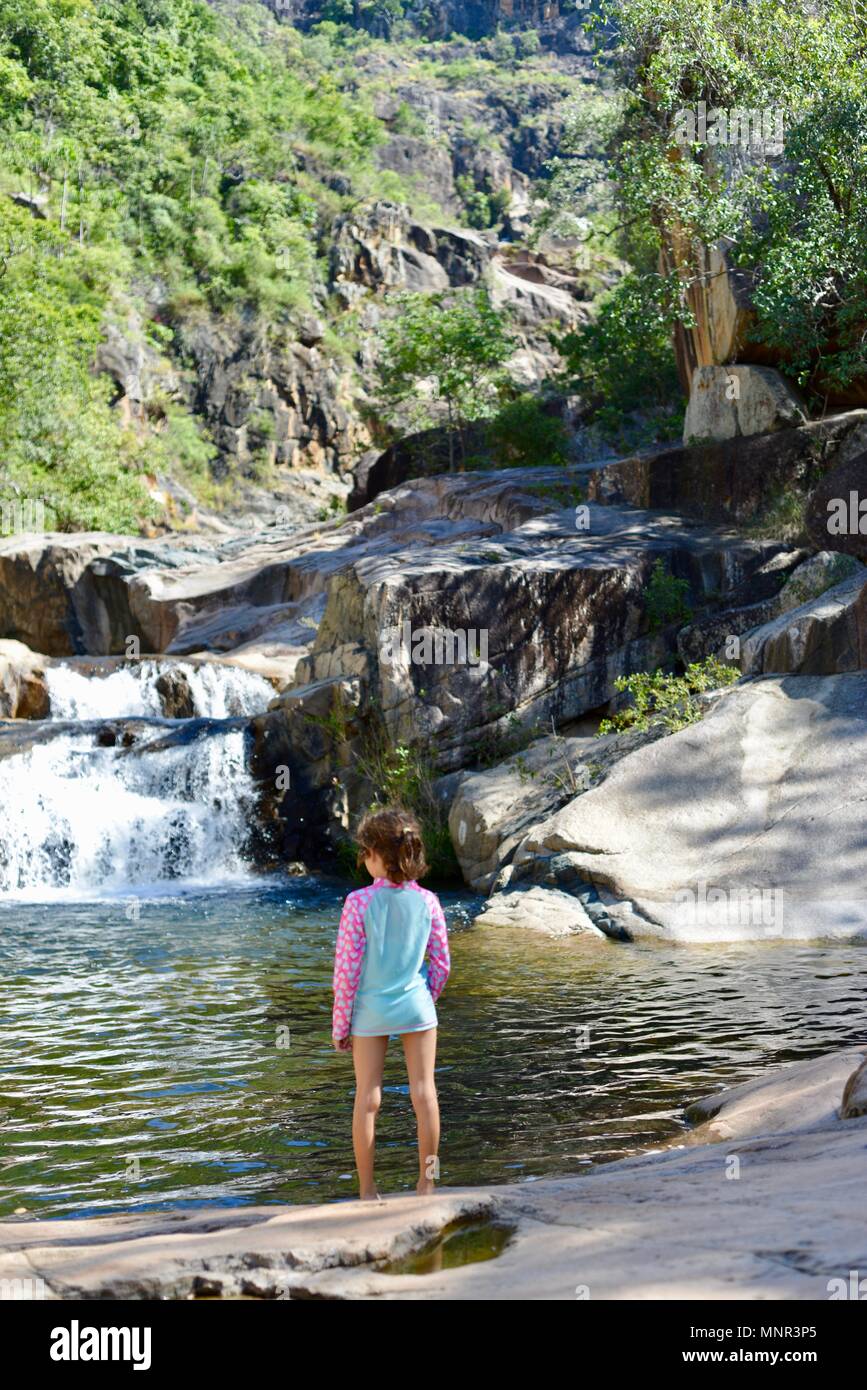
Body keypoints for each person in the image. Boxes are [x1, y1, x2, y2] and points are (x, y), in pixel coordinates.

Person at [331, 807, 451, 1201]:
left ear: (380, 856)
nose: (363, 859)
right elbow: (441, 962)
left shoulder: (358, 903)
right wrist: (423, 997)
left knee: (367, 1098)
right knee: (424, 1093)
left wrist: (341, 1025)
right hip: (416, 1007)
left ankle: (367, 1190)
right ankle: (427, 1184)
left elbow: (347, 973)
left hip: (370, 1010)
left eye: (365, 852)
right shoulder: (429, 902)